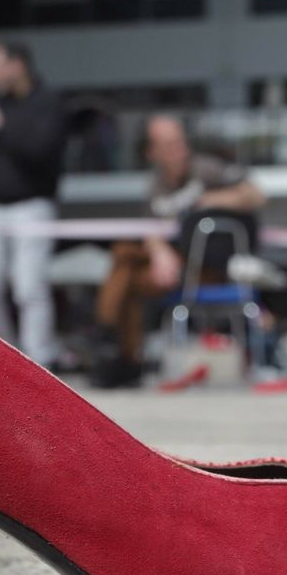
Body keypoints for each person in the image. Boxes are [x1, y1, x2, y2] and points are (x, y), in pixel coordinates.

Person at [94, 114, 266, 386]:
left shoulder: (206, 170)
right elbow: (151, 227)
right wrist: (159, 251)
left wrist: (210, 200)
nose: (181, 150)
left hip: (206, 266)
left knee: (124, 260)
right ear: (153, 152)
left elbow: (255, 194)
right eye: (170, 145)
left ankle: (109, 339)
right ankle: (118, 347)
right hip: (175, 266)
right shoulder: (156, 187)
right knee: (126, 263)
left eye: (181, 142)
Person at [0, 42, 65, 366]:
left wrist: (1, 129)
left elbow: (41, 152)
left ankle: (39, 362)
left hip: (33, 206)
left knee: (29, 288)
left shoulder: (48, 103)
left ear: (17, 65)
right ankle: (8, 357)